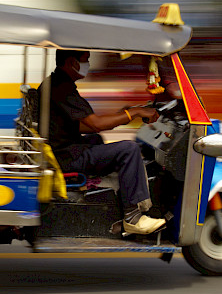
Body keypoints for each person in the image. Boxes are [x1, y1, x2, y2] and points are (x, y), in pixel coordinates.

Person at [44, 49, 166, 235]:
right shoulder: (61, 88)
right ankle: (132, 217)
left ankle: (117, 196)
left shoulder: (57, 84)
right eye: (85, 60)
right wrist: (133, 113)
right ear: (71, 62)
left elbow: (81, 126)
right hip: (66, 157)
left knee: (97, 139)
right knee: (129, 149)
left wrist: (125, 115)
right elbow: (95, 123)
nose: (88, 65)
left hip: (63, 149)